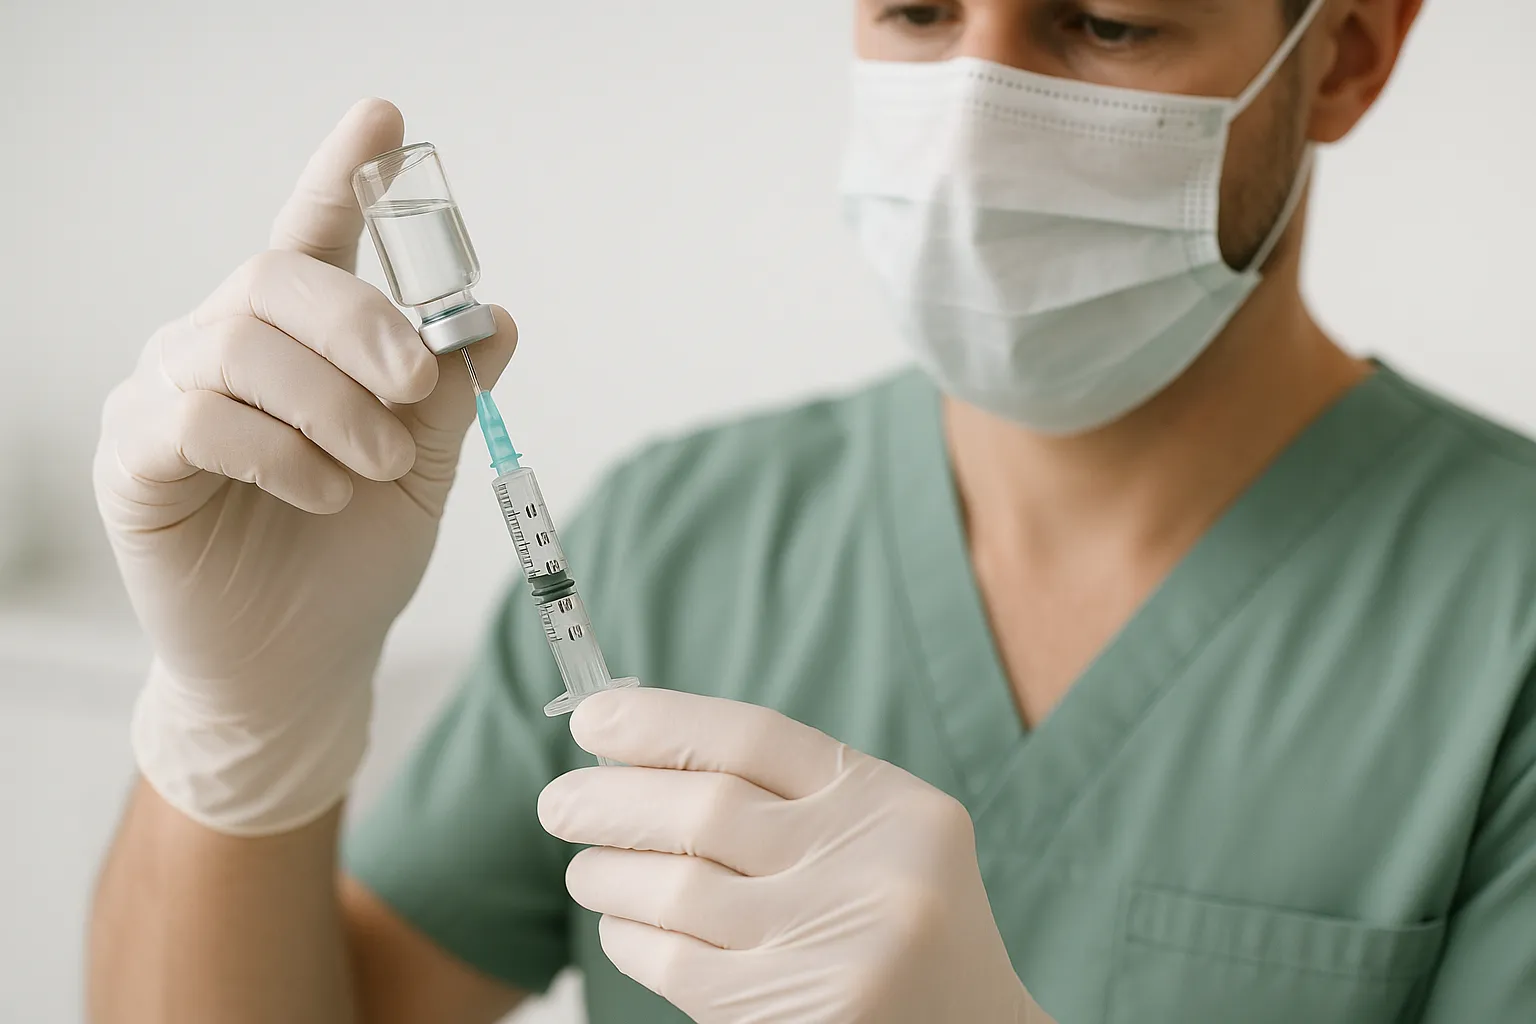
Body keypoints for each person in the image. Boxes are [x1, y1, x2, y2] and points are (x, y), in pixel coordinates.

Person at [87, 0, 1536, 1021]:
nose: (974, 112)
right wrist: (237, 733)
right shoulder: (680, 533)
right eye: (915, 12)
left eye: (1102, 22)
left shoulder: (1501, 613)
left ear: (1342, 54)